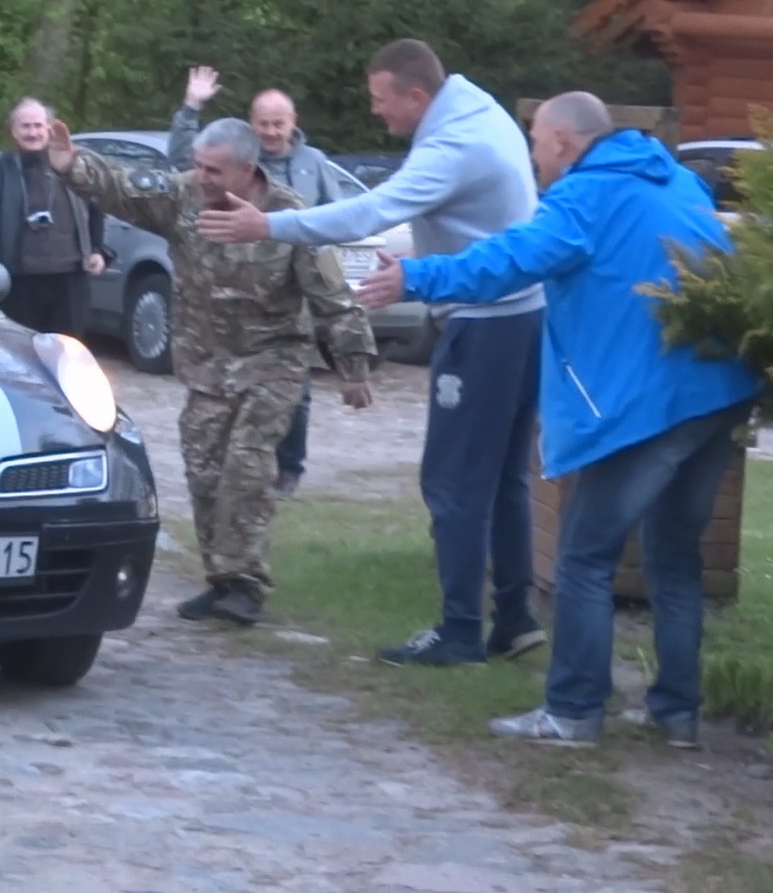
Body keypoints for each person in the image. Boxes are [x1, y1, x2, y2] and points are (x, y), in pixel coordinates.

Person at [357, 92, 762, 747]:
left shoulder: (583, 198)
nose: (534, 155)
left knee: (584, 558)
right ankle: (677, 714)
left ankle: (572, 712)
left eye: (536, 142)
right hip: (718, 393)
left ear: (564, 143)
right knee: (675, 557)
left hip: (650, 403)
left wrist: (416, 277)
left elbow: (511, 260)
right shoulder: (677, 181)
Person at [195, 38, 547, 668]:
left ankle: (461, 631)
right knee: (505, 480)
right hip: (525, 316)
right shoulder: (480, 110)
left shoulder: (452, 145)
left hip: (485, 326)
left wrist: (267, 225)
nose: (376, 111)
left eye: (382, 100)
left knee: (453, 484)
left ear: (417, 94)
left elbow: (371, 212)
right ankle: (516, 619)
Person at [45, 114, 378, 625]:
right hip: (207, 362)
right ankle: (220, 579)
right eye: (199, 166)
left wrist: (354, 366)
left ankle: (246, 584)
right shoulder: (183, 196)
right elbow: (124, 189)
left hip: (272, 358)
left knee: (246, 466)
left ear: (247, 169)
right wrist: (72, 163)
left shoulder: (288, 216)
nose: (202, 177)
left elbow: (331, 295)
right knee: (204, 471)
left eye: (214, 170)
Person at [173, 67, 346, 499]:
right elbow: (182, 164)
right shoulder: (238, 162)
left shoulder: (314, 164)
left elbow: (338, 216)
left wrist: (324, 268)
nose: (270, 131)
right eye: (263, 123)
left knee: (296, 392)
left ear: (293, 123)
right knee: (232, 393)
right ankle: (238, 467)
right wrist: (191, 107)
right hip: (238, 289)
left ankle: (288, 470)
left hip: (294, 289)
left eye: (277, 123)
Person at [0, 97, 109, 336]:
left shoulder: (71, 167)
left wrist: (97, 249)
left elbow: (96, 205)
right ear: (14, 131)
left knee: (68, 351)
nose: (33, 133)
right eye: (26, 126)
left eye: (38, 126)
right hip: (17, 283)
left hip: (70, 281)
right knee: (20, 351)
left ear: (49, 128)